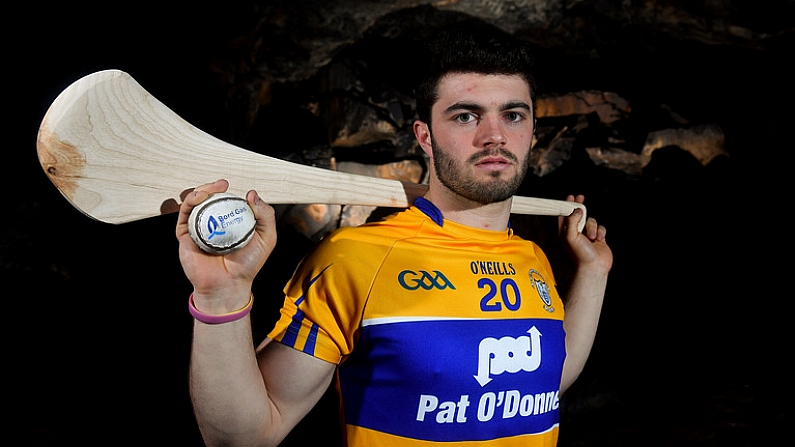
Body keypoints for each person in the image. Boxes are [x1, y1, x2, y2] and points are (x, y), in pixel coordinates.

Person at [176, 27, 612, 447]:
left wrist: (593, 272)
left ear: (532, 132)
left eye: (513, 115)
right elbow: (246, 435)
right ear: (425, 136)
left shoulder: (531, 256)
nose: (494, 135)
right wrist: (221, 297)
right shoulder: (355, 258)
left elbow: (542, 384)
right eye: (465, 116)